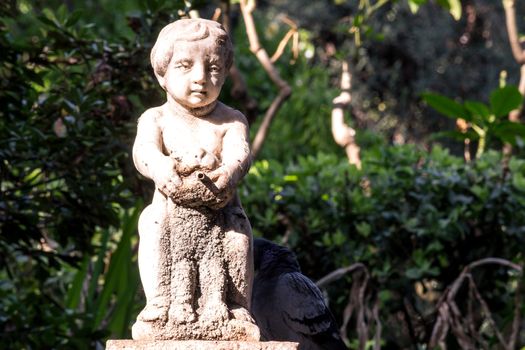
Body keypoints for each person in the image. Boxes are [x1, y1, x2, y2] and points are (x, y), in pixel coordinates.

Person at [131, 18, 256, 339]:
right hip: (171, 212)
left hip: (221, 212)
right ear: (163, 73)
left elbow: (240, 154)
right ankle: (159, 302)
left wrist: (228, 172)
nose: (200, 78)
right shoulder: (156, 118)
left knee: (239, 237)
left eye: (213, 68)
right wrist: (159, 167)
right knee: (151, 222)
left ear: (225, 74)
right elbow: (142, 151)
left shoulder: (230, 120)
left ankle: (238, 305)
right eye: (185, 66)